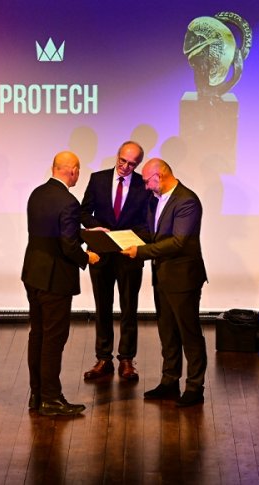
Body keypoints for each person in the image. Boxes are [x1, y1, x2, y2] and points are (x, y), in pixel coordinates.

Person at [122, 158, 208, 407]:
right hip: (162, 276)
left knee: (189, 332)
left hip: (183, 278)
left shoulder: (187, 200)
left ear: (160, 176)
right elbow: (152, 235)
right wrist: (122, 237)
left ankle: (195, 386)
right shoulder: (154, 200)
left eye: (147, 181)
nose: (146, 187)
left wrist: (140, 252)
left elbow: (178, 242)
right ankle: (169, 381)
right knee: (167, 332)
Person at [21, 150, 100, 416]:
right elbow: (67, 244)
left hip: (33, 273)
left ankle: (37, 395)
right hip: (55, 279)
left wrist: (85, 232)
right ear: (73, 171)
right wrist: (87, 256)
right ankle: (52, 399)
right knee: (54, 339)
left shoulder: (37, 193)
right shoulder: (69, 201)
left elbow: (52, 232)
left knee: (38, 335)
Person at [79, 141, 150, 381]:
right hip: (101, 252)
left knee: (129, 307)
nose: (125, 167)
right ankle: (103, 358)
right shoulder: (98, 179)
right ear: (117, 156)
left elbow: (148, 222)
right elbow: (84, 212)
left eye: (131, 164)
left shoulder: (143, 184)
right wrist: (97, 227)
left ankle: (127, 359)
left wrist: (131, 237)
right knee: (103, 306)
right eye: (122, 161)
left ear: (137, 164)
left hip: (129, 253)